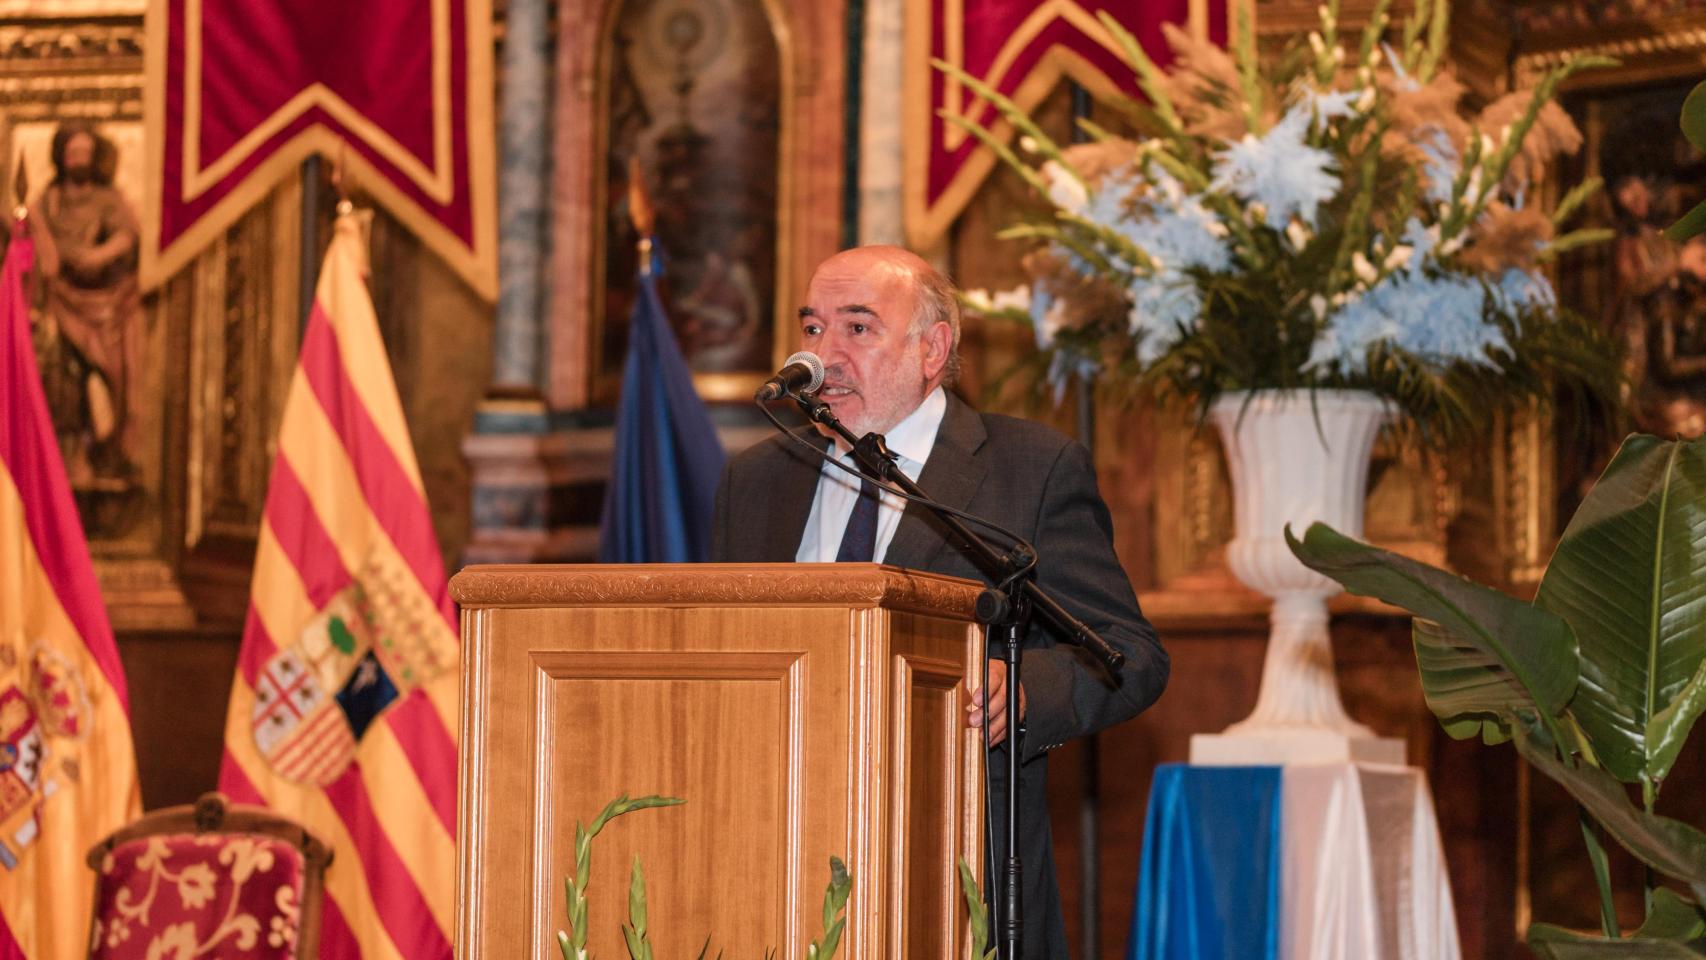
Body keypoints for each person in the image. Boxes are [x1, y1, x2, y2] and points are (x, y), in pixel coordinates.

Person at [711, 245, 1169, 957]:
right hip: (778, 857)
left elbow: (1129, 657)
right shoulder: (759, 479)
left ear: (934, 347)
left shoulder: (1030, 471)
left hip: (957, 870)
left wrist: (1022, 690)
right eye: (811, 328)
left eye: (856, 328)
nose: (823, 354)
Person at [30, 121, 144, 481]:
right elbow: (38, 247)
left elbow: (127, 236)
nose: (79, 159)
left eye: (85, 152)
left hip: (105, 302)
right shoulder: (48, 202)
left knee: (111, 378)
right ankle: (68, 457)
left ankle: (110, 450)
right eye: (73, 152)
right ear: (62, 157)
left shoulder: (106, 199)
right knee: (64, 379)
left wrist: (98, 256)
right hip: (61, 298)